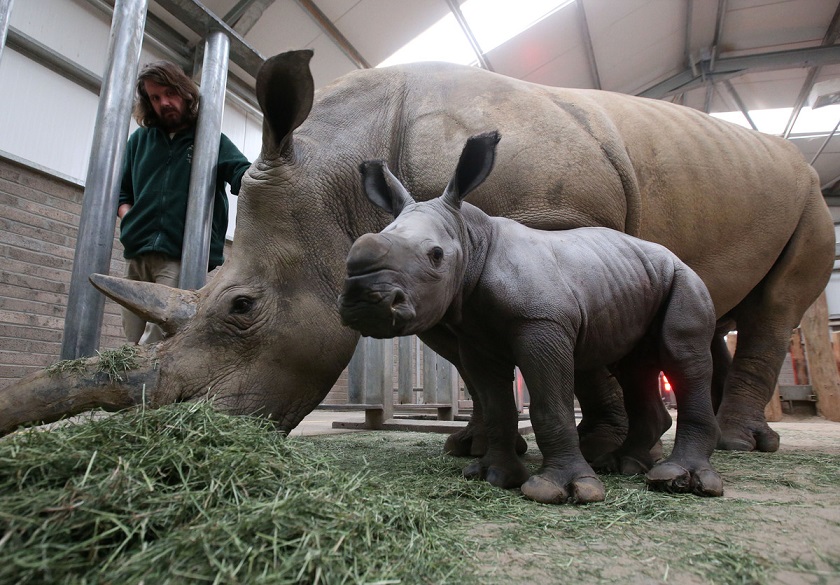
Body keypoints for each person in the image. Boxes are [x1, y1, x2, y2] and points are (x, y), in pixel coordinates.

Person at [117, 60, 250, 344]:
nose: (164, 102)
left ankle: (148, 390)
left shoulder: (209, 138)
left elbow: (241, 171)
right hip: (138, 253)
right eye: (155, 97)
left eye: (169, 93)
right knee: (130, 339)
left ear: (185, 92)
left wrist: (268, 176)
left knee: (159, 339)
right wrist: (128, 216)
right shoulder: (139, 141)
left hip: (180, 256)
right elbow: (122, 192)